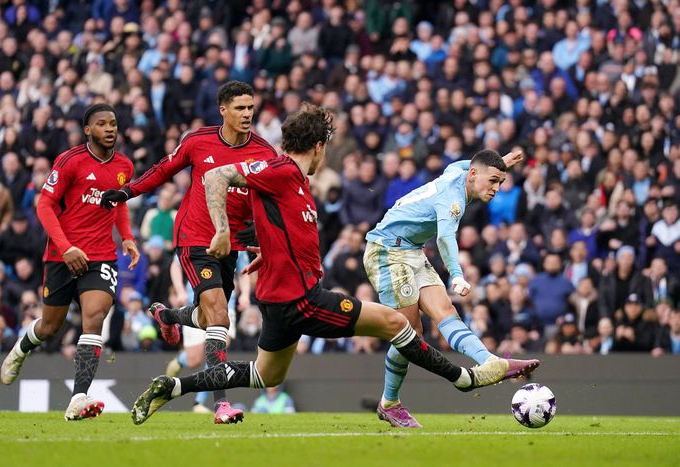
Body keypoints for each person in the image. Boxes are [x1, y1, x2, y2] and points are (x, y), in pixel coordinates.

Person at [131, 104, 518, 426]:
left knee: (265, 375)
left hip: (280, 300)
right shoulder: (282, 172)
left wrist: (266, 247)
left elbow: (270, 221)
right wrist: (220, 230)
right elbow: (217, 176)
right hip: (303, 299)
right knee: (396, 323)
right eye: (326, 148)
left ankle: (175, 387)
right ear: (318, 146)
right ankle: (465, 379)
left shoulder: (294, 180)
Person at [100, 81, 277, 424]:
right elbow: (162, 170)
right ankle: (221, 405)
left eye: (250, 108)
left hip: (232, 244)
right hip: (195, 237)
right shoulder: (198, 141)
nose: (247, 114)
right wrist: (126, 193)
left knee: (208, 316)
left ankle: (169, 317)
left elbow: (268, 204)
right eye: (239, 108)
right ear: (223, 110)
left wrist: (268, 244)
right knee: (219, 316)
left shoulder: (265, 153)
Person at [362, 149, 540, 427]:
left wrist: (499, 164)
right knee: (409, 334)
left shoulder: (458, 172)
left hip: (411, 250)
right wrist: (456, 274)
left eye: (500, 183)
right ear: (473, 176)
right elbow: (445, 239)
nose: (495, 188)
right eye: (492, 181)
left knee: (446, 311)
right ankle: (390, 402)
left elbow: (471, 165)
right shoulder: (453, 199)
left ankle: (490, 362)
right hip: (386, 251)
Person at [0, 104, 140, 421]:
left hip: (102, 254)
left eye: (113, 123)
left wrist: (127, 237)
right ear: (88, 130)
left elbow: (118, 203)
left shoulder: (124, 166)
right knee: (50, 326)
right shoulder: (70, 161)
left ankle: (78, 398)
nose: (110, 129)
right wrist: (65, 248)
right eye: (102, 124)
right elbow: (44, 205)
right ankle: (21, 349)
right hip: (62, 255)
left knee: (94, 315)